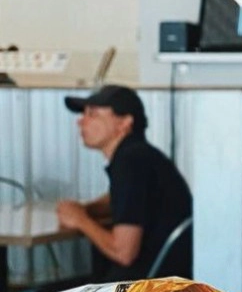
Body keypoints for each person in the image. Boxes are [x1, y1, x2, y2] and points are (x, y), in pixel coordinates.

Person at [57, 85, 193, 281]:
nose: (81, 121)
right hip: (160, 282)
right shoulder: (141, 156)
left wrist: (80, 219)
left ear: (124, 123)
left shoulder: (131, 163)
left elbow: (124, 253)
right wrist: (88, 209)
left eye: (92, 114)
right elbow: (125, 200)